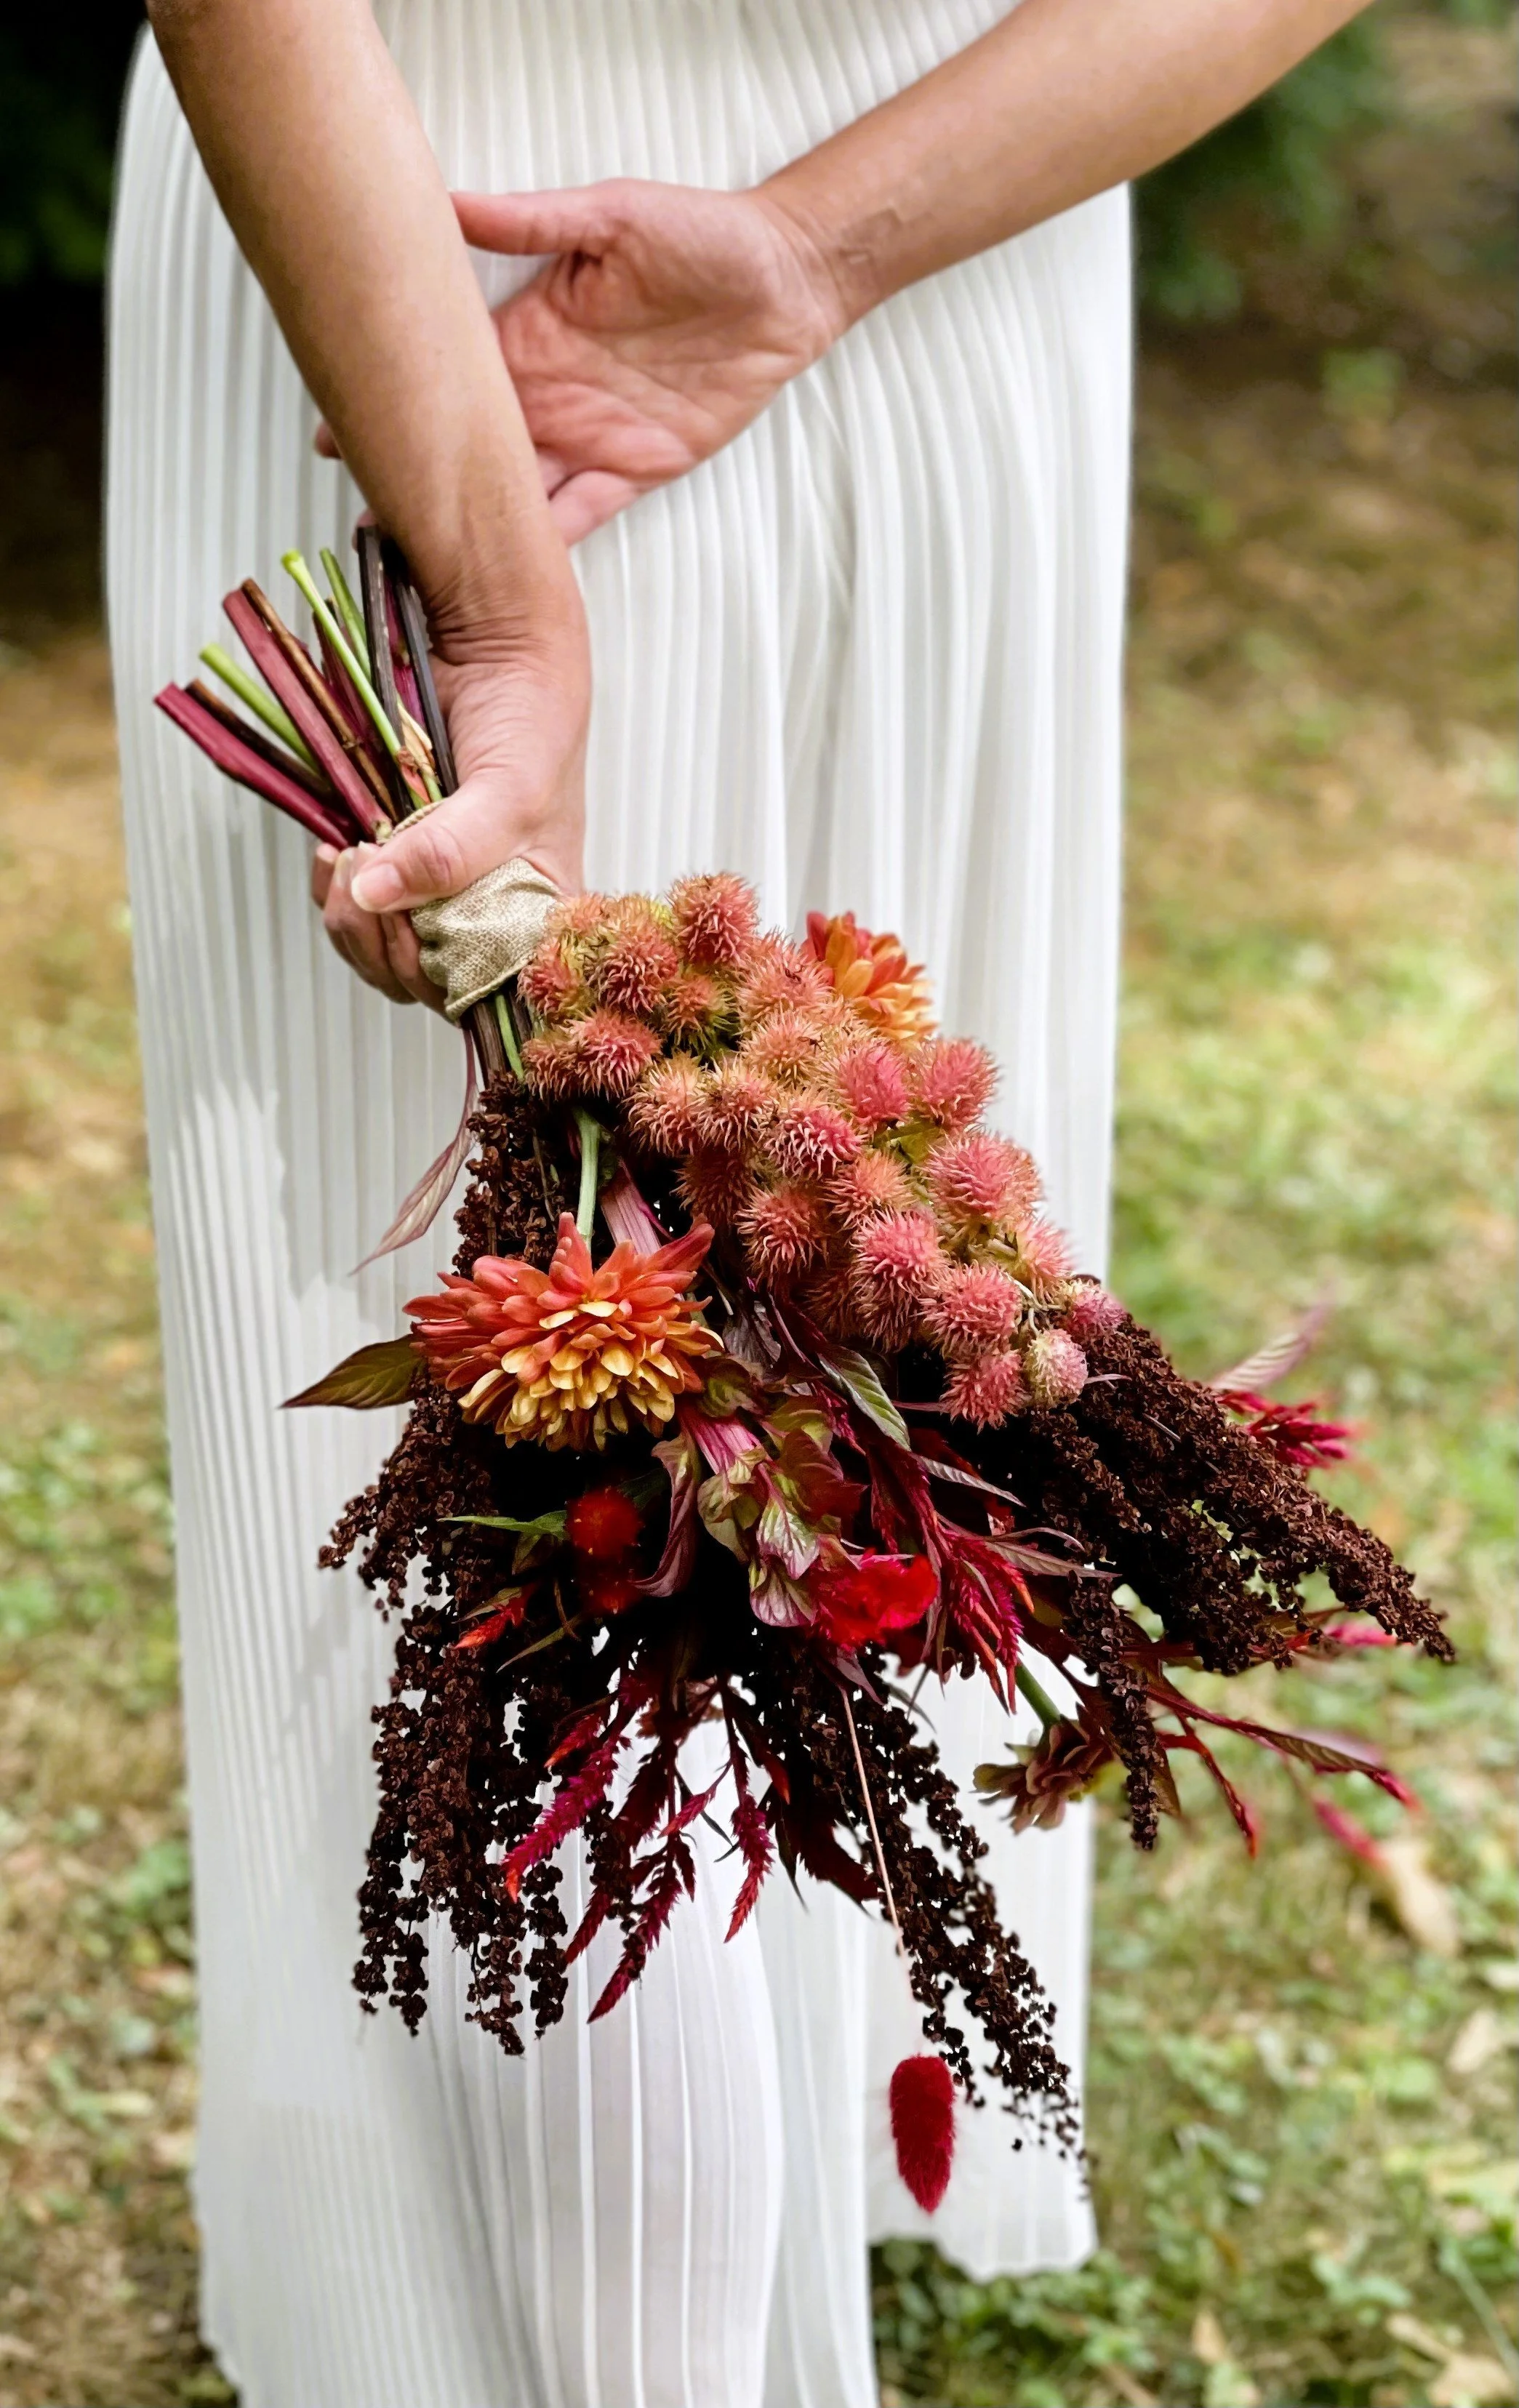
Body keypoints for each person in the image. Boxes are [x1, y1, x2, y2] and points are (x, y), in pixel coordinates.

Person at [108, 2, 1369, 2401]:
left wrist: (499, 589)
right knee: (624, 1445)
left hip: (461, 277)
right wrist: (805, 251)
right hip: (745, 246)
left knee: (599, 1454)